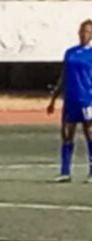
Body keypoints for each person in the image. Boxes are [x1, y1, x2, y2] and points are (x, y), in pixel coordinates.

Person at [47, 20, 92, 183]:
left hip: (87, 99)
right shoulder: (70, 53)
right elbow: (64, 76)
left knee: (90, 134)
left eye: (88, 31)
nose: (84, 34)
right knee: (67, 135)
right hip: (71, 99)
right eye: (82, 31)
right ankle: (65, 171)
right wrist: (53, 98)